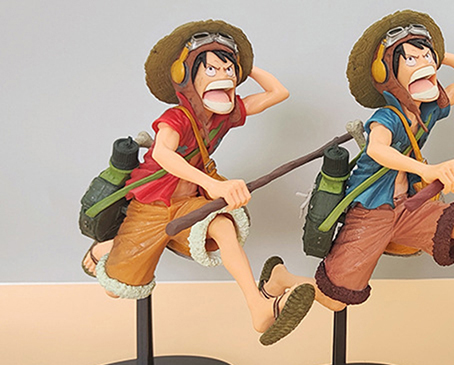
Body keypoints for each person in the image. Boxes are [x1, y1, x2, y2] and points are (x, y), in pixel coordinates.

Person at [262, 10, 454, 336]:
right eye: (410, 58)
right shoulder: (387, 117)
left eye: (426, 57)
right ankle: (282, 278)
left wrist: (436, 55)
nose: (423, 64)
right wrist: (428, 169)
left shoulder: (428, 109)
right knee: (336, 300)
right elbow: (377, 150)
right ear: (387, 72)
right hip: (371, 212)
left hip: (408, 207)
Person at [81, 20, 314, 341]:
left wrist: (243, 65)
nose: (224, 77)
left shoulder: (224, 115)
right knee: (116, 288)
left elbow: (278, 93)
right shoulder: (176, 117)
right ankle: (110, 247)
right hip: (152, 205)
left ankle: (258, 307)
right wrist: (215, 186)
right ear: (186, 78)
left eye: (229, 70)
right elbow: (163, 154)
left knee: (223, 227)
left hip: (188, 202)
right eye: (212, 70)